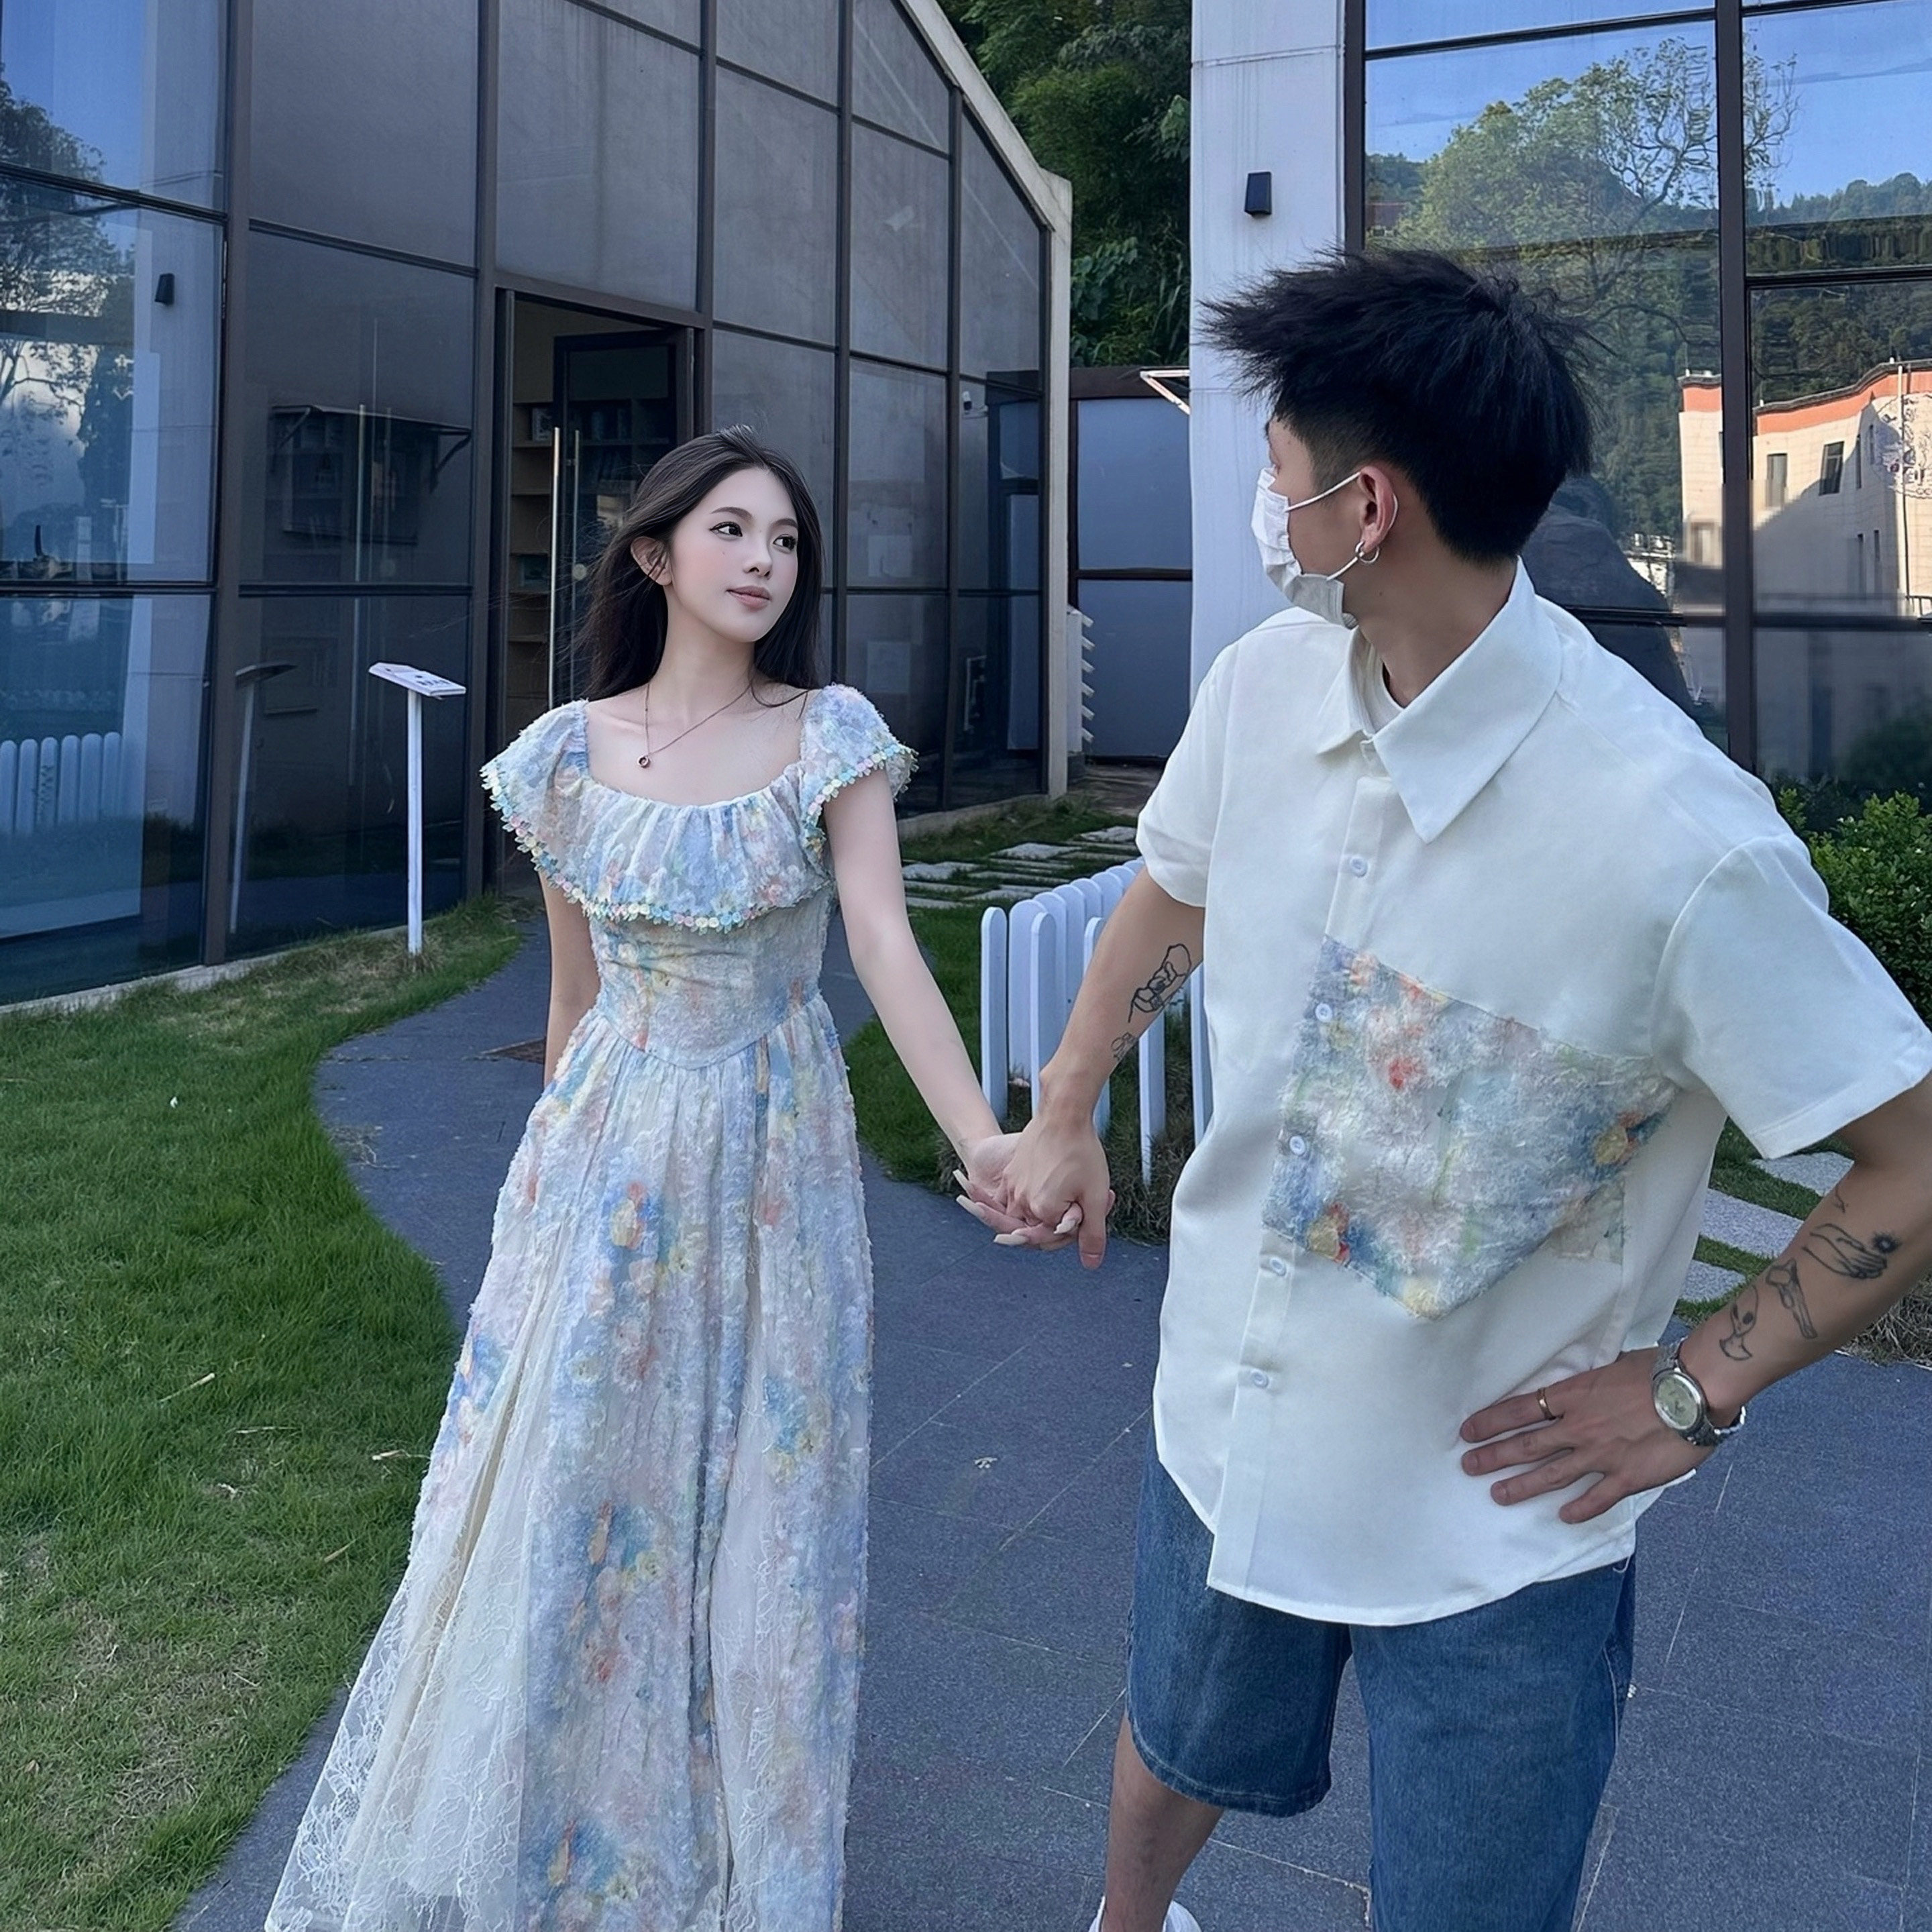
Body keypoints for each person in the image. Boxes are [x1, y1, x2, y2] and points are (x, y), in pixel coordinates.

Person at [965, 250, 1932, 1932]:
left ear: (1366, 510)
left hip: (1497, 1524)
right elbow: (1176, 888)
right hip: (1223, 1420)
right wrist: (1064, 1105)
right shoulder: (1265, 686)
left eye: (1277, 469)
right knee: (1175, 1741)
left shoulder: (1676, 842)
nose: (1264, 505)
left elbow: (1913, 1154)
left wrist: (1695, 1391)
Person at [266, 427, 1012, 1932]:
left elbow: (882, 943)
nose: (763, 560)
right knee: (575, 1495)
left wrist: (979, 1138)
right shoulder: (566, 754)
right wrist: (542, 1195)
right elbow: (572, 995)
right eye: (731, 530)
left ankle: (739, 1870)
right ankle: (558, 1852)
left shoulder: (831, 735)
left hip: (771, 1165)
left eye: (786, 540)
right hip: (603, 1164)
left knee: (763, 1514)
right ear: (657, 555)